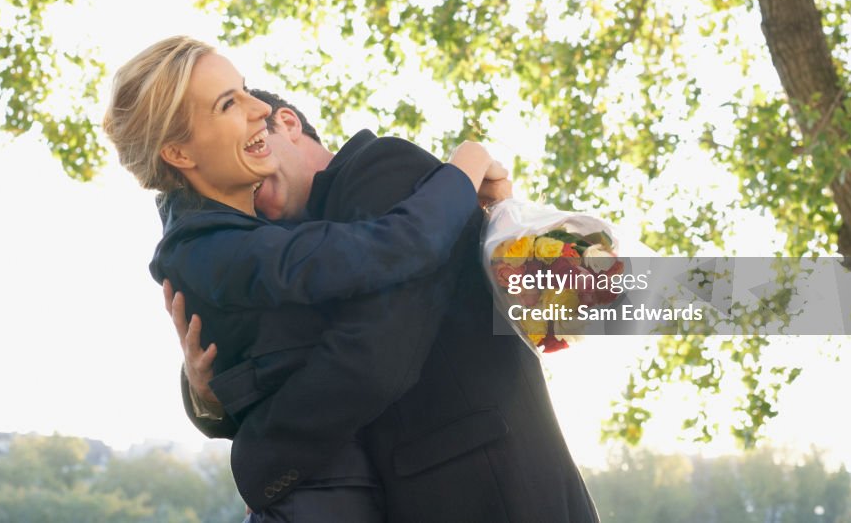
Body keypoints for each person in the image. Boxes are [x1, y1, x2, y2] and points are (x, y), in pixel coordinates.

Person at [103, 36, 507, 521]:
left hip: (483, 486)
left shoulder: (373, 177)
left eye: (246, 90)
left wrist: (586, 273)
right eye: (229, 103)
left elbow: (353, 354)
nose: (259, 109)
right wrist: (467, 164)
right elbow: (398, 250)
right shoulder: (218, 245)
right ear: (179, 154)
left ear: (289, 124)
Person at [174, 90, 602, 522]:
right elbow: (276, 366)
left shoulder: (382, 168)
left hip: (497, 490)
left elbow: (376, 355)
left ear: (286, 123)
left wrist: (261, 461)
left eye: (252, 154)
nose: (248, 186)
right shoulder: (293, 247)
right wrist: (205, 395)